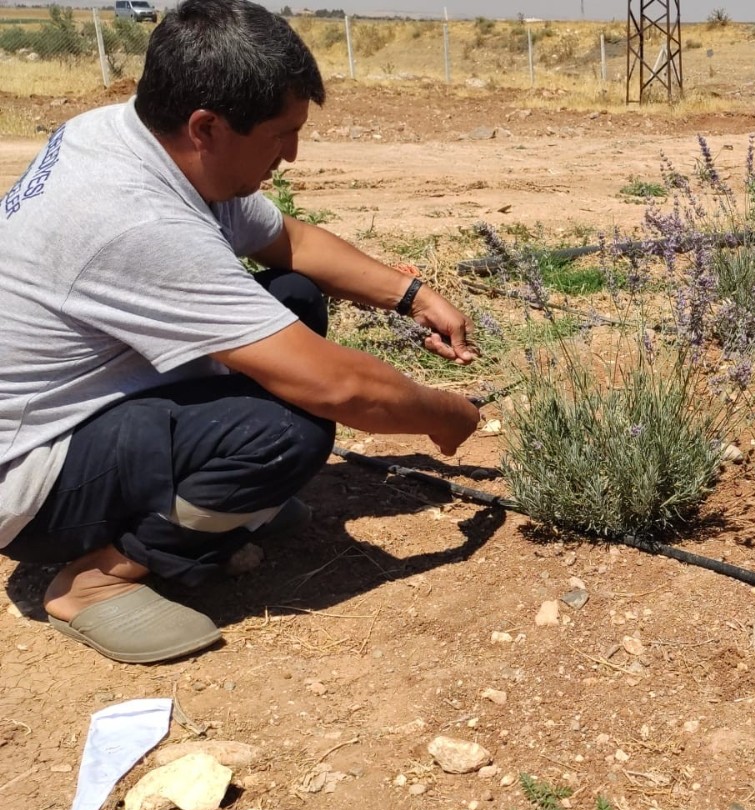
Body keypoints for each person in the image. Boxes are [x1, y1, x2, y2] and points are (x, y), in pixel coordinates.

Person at [0, 0, 483, 663]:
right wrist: (444, 415)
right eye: (281, 133)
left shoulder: (128, 134)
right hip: (32, 477)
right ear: (207, 126)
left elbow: (288, 241)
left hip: (79, 401)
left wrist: (412, 294)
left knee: (292, 297)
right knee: (291, 430)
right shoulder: (134, 220)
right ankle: (93, 581)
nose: (291, 153)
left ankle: (216, 501)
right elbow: (339, 388)